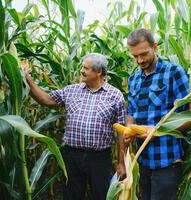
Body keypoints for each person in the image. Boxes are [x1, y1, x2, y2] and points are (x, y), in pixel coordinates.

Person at [24, 53, 126, 200]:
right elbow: (46, 99)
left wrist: (122, 163)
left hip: (99, 158)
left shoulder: (115, 96)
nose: (81, 71)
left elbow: (122, 132)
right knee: (72, 195)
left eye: (86, 68)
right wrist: (27, 80)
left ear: (98, 72)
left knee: (101, 195)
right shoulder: (72, 90)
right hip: (72, 156)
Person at [125, 28, 191, 200]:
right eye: (135, 56)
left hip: (166, 160)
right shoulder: (134, 79)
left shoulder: (173, 72)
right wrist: (129, 128)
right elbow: (131, 111)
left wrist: (158, 130)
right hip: (142, 160)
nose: (140, 60)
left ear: (155, 47)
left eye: (144, 54)